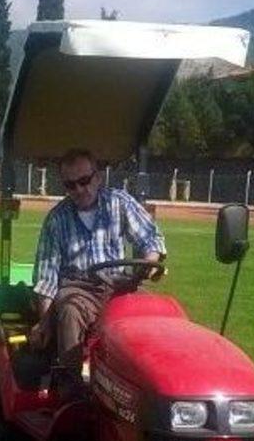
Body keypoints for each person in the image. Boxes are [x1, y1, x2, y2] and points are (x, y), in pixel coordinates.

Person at [29, 148, 166, 396]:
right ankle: (72, 386)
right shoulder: (56, 219)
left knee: (157, 313)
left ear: (98, 177)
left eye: (84, 180)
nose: (80, 189)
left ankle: (152, 384)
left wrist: (148, 261)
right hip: (80, 287)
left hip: (121, 285)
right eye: (71, 185)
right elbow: (47, 277)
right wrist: (44, 321)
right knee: (69, 309)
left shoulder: (119, 202)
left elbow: (149, 238)